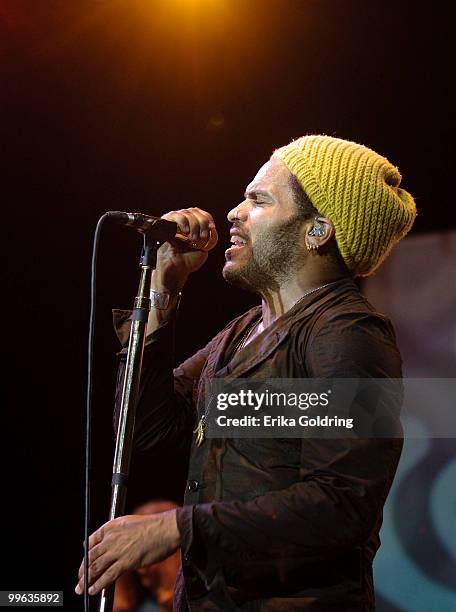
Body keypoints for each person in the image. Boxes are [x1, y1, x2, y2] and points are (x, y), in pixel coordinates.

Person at [76, 135, 417, 610]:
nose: (234, 212)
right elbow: (151, 427)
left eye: (259, 200)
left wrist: (177, 527)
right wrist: (163, 288)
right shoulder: (243, 332)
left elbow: (342, 505)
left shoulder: (349, 335)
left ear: (317, 229)